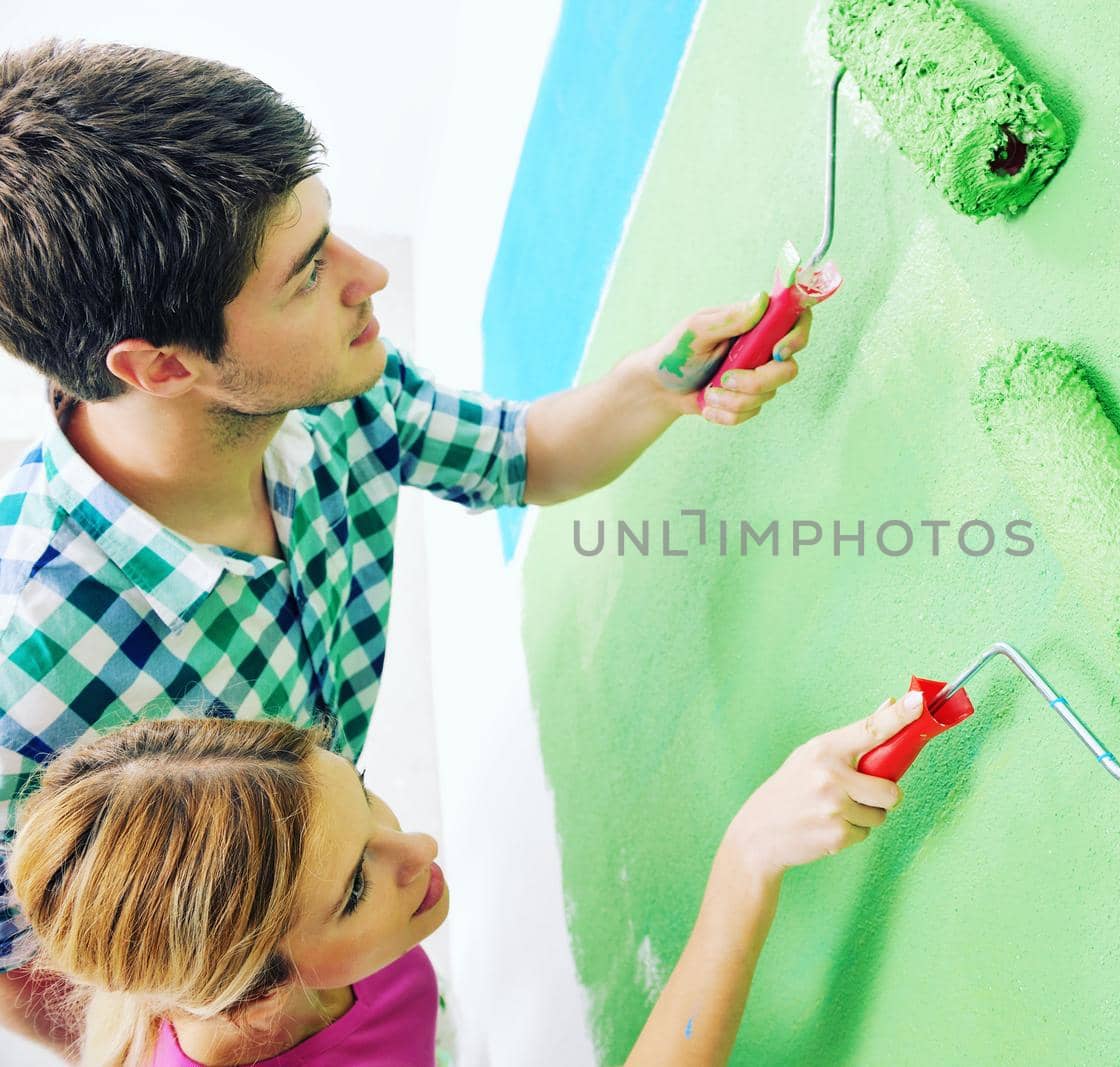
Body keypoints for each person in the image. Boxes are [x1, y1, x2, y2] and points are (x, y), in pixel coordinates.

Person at [0, 39, 811, 1050]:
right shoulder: (24, 667)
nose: (370, 274)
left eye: (329, 231)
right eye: (306, 275)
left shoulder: (330, 385)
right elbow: (17, 962)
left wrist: (659, 386)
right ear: (163, 364)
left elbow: (523, 454)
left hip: (350, 960)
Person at [7, 693, 923, 1066]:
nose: (421, 849)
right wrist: (747, 861)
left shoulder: (283, 949)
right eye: (356, 889)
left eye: (365, 799)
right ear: (254, 986)